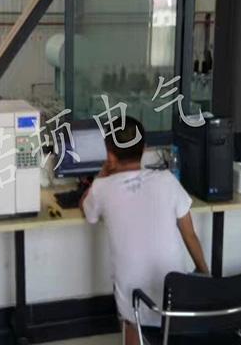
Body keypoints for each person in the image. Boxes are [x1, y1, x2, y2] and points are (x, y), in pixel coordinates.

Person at [80, 117, 209, 345]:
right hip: (177, 301)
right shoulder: (167, 180)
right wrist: (205, 276)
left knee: (130, 307)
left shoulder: (101, 189)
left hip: (136, 307)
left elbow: (87, 210)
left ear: (110, 157)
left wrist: (102, 174)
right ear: (144, 149)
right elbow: (189, 235)